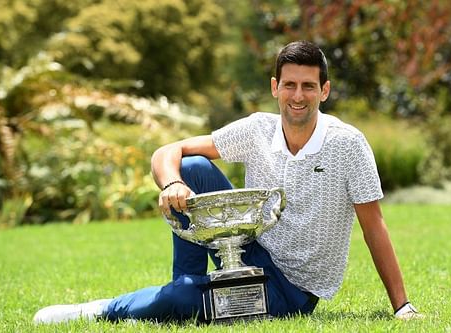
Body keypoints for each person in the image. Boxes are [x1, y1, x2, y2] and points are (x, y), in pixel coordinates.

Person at [33, 40, 422, 324]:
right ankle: (181, 292)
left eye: (308, 86)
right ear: (275, 88)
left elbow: (374, 226)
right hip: (247, 247)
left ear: (324, 90)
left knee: (186, 297)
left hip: (290, 289)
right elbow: (167, 150)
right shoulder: (257, 129)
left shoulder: (348, 144)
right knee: (196, 167)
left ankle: (103, 309)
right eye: (289, 85)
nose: (297, 96)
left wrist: (401, 305)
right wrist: (171, 184)